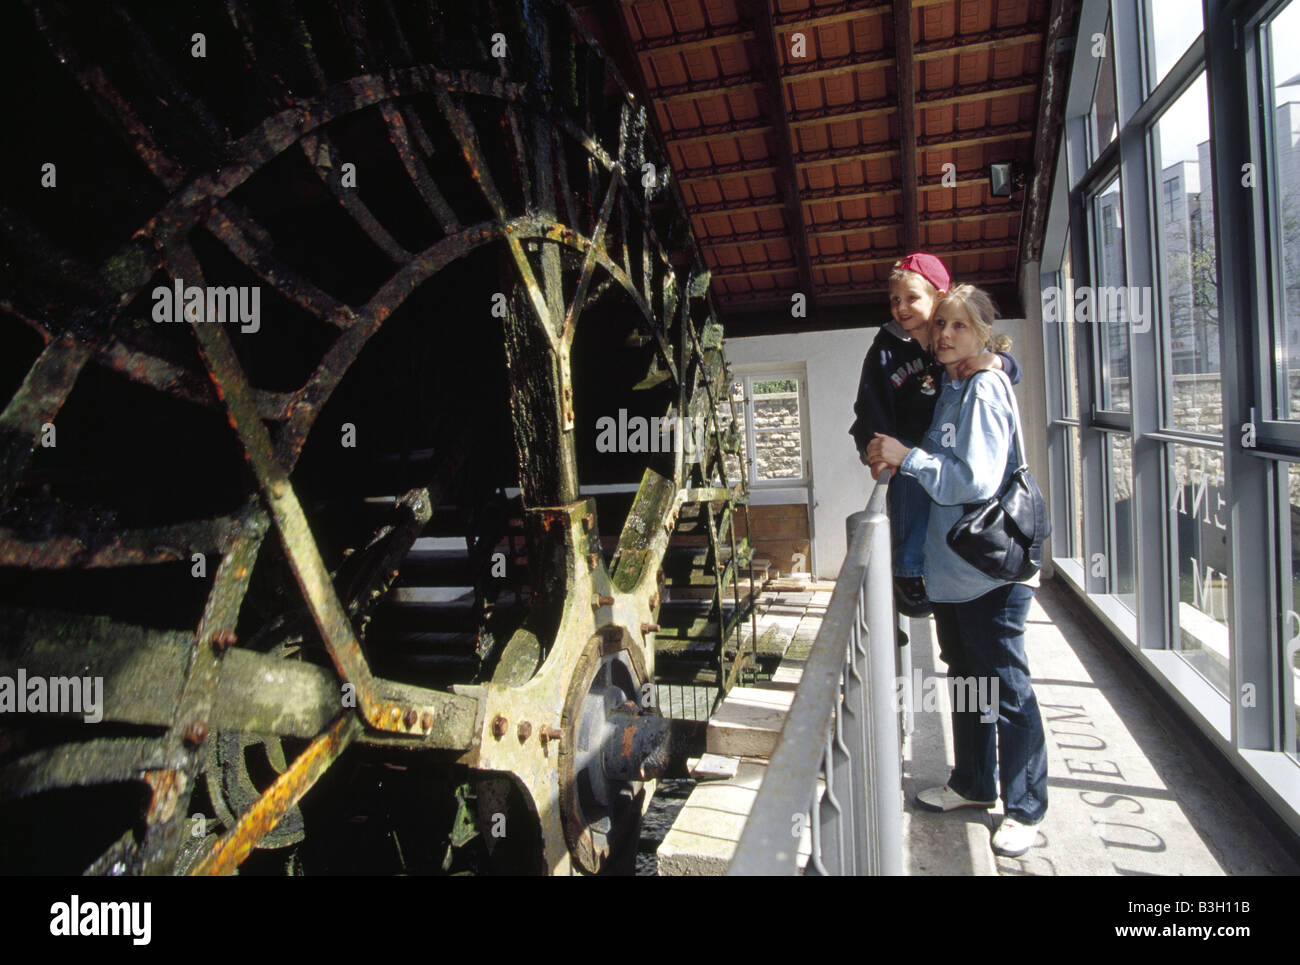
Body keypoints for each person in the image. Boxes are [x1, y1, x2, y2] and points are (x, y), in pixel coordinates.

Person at [865, 284, 1047, 858]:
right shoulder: (954, 382)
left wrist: (906, 457)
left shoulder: (984, 388)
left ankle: (1024, 807)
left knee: (1008, 688)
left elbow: (973, 480)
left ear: (982, 333)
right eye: (939, 324)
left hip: (990, 576)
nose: (943, 335)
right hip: (955, 574)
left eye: (958, 326)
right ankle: (972, 783)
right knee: (969, 681)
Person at [848, 253, 1021, 618]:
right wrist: (877, 452)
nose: (901, 307)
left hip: (949, 452)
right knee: (909, 476)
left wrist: (1002, 362)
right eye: (895, 299)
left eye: (912, 298)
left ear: (938, 296)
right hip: (910, 448)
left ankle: (951, 568)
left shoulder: (954, 338)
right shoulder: (885, 347)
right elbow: (870, 404)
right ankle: (908, 572)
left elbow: (997, 364)